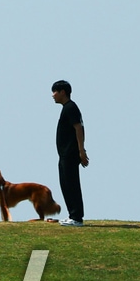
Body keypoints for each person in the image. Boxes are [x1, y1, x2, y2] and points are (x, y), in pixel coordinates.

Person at [51, 80, 88, 226]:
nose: (53, 95)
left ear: (63, 92)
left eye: (55, 92)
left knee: (71, 184)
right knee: (65, 184)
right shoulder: (67, 108)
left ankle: (77, 217)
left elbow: (79, 128)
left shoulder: (71, 107)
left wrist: (81, 151)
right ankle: (72, 215)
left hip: (70, 154)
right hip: (64, 155)